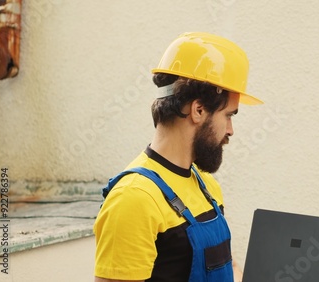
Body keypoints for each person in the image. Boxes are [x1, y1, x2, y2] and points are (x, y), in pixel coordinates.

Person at [93, 32, 263, 282]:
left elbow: (225, 267)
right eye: (229, 115)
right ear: (199, 110)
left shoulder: (207, 186)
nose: (230, 131)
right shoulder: (133, 199)